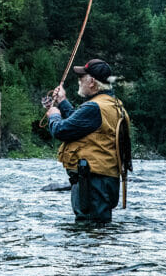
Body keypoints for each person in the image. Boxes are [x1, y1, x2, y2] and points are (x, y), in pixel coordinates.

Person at [43, 58, 130, 222]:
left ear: (91, 82)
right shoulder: (114, 104)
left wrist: (53, 115)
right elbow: (82, 124)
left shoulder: (94, 107)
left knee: (89, 230)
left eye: (82, 77)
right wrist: (62, 102)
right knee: (97, 231)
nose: (79, 81)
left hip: (92, 182)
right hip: (106, 180)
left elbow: (61, 131)